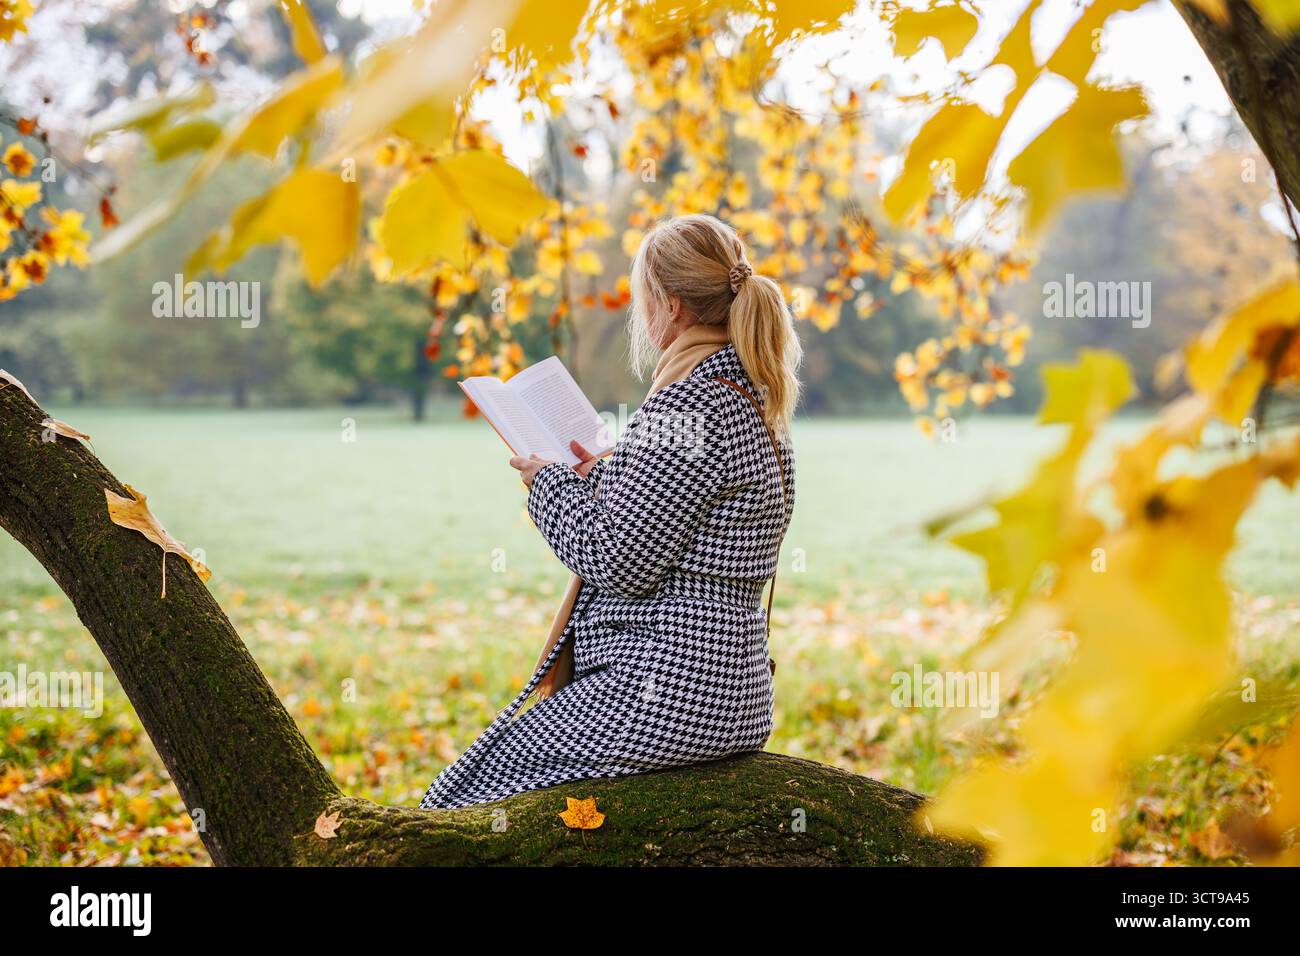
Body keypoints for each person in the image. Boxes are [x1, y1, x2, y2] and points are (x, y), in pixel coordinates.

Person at [419, 213, 801, 809]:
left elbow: (615, 556)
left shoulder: (690, 403)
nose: (640, 315)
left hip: (667, 690)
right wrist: (611, 477)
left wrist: (547, 481)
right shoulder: (747, 395)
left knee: (465, 791)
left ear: (671, 307)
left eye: (643, 298)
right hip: (728, 686)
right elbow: (682, 516)